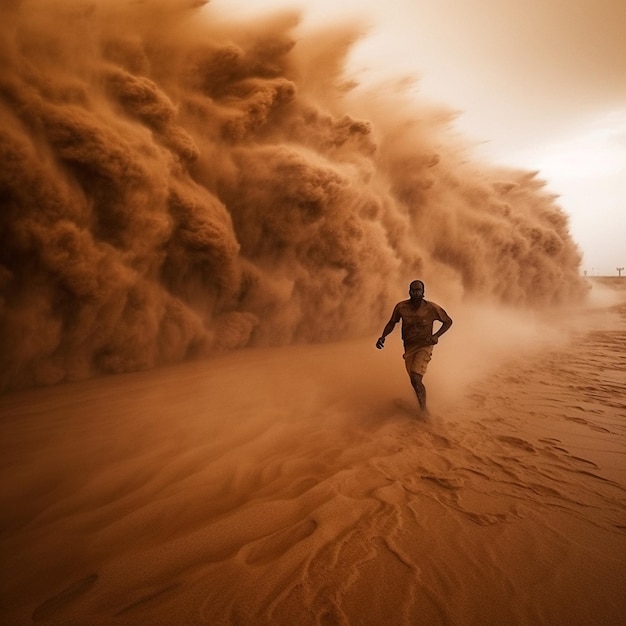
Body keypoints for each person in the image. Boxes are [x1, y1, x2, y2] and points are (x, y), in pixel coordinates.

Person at [376, 280, 452, 415]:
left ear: (423, 292)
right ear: (409, 291)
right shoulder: (401, 307)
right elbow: (392, 323)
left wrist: (436, 336)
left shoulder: (431, 308)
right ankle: (421, 400)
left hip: (425, 346)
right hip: (409, 347)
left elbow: (448, 321)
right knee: (413, 379)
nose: (415, 293)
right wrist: (383, 337)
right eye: (413, 290)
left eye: (418, 290)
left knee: (415, 378)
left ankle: (424, 411)